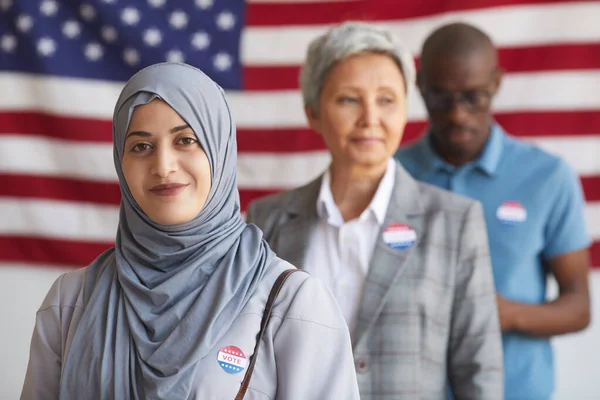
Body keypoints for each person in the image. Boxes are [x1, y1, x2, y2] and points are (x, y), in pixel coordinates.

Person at [20, 62, 361, 400]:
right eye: (141, 146)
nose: (163, 166)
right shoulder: (70, 302)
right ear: (120, 162)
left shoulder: (294, 304)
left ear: (220, 151)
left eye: (185, 140)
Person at [246, 21, 503, 399]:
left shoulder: (455, 221)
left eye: (386, 100)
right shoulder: (265, 220)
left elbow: (479, 371)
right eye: (349, 99)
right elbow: (249, 359)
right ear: (313, 113)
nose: (370, 118)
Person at [395, 22, 591, 400]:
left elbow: (578, 307)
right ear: (419, 86)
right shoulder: (390, 174)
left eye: (473, 97)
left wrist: (496, 312)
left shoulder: (547, 176)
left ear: (497, 83)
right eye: (441, 97)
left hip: (516, 390)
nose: (457, 115)